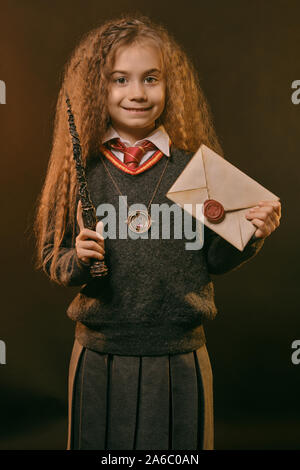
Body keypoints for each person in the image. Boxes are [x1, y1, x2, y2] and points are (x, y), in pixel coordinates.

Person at [33, 14, 281, 451]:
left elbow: (215, 261)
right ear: (98, 88)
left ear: (170, 87)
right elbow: (56, 256)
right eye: (120, 80)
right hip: (100, 354)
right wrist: (80, 259)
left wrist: (253, 233)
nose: (137, 93)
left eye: (151, 79)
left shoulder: (195, 169)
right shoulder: (80, 172)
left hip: (180, 355)